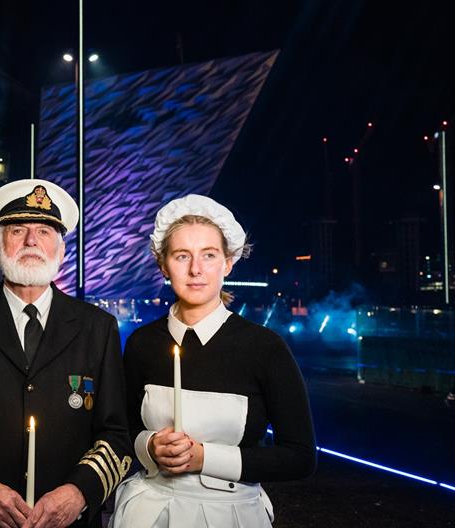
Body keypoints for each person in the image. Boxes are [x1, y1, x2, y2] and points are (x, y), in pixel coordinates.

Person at [0, 179, 132, 528]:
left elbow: (116, 433)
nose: (32, 241)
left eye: (45, 231)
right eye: (17, 230)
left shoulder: (98, 327)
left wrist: (78, 493)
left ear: (60, 252)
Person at [110, 195, 317, 527]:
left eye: (209, 255)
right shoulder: (142, 343)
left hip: (232, 515)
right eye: (182, 256)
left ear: (228, 263)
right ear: (163, 264)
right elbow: (122, 429)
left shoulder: (265, 348)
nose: (196, 269)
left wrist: (204, 458)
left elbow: (300, 457)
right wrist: (150, 446)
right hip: (147, 512)